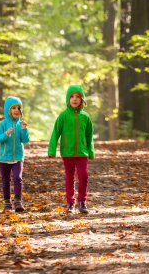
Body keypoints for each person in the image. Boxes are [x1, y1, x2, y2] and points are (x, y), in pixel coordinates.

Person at [48, 84, 95, 214]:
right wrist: (52, 150)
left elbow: (89, 135)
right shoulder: (63, 116)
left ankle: (82, 201)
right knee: (69, 177)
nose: (75, 99)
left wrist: (91, 150)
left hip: (82, 152)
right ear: (68, 99)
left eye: (78, 97)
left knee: (83, 176)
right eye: (72, 97)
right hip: (67, 152)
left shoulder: (85, 117)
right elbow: (55, 133)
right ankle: (70, 202)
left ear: (82, 100)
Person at [0, 96, 30, 213]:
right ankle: (7, 202)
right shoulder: (3, 124)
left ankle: (18, 202)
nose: (16, 110)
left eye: (18, 108)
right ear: (7, 110)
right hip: (4, 158)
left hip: (18, 157)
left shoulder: (20, 124)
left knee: (18, 178)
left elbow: (24, 140)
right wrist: (6, 134)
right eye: (13, 108)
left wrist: (24, 129)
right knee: (6, 180)